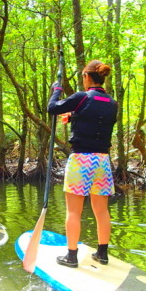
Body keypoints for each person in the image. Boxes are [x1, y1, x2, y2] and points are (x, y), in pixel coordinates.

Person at [47, 60, 118, 268]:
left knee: (73, 211)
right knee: (101, 211)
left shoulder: (82, 97)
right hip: (103, 161)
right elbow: (97, 120)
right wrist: (74, 116)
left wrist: (56, 90)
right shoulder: (112, 102)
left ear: (87, 77)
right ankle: (102, 253)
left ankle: (71, 256)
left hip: (81, 160)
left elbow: (52, 108)